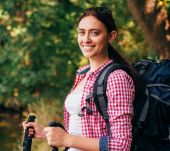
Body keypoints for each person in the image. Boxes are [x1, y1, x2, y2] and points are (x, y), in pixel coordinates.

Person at [23, 6, 135, 151]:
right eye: (81, 33)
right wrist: (46, 133)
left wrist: (66, 139)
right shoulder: (83, 73)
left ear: (111, 36)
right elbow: (83, 132)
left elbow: (121, 145)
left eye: (95, 33)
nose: (86, 39)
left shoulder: (117, 78)